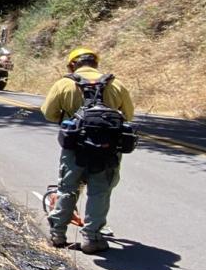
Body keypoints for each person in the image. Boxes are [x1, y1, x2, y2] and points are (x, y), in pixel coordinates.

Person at [40, 48, 135, 254]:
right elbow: (128, 115)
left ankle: (57, 234)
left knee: (67, 188)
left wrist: (70, 118)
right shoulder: (115, 84)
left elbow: (48, 113)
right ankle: (92, 238)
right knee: (100, 191)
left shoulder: (64, 84)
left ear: (72, 65)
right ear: (95, 64)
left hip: (75, 147)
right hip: (107, 150)